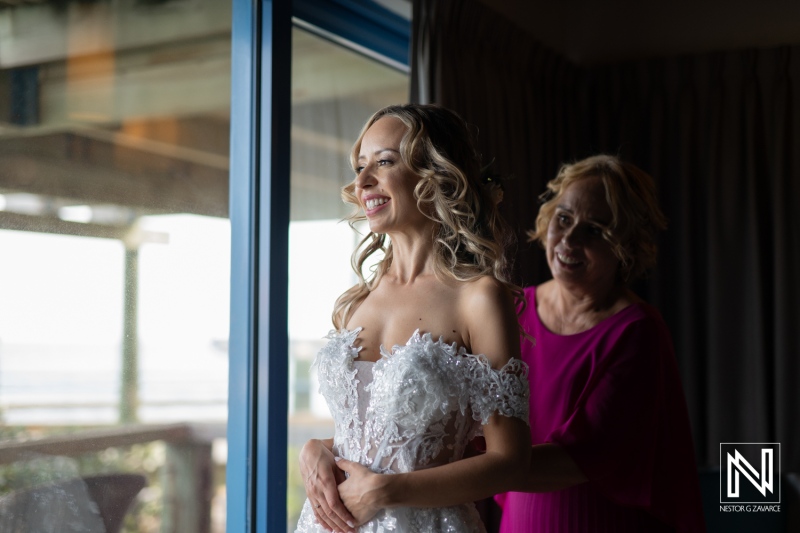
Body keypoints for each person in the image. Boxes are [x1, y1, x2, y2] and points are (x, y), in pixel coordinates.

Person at [295, 104, 532, 533]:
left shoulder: (478, 299)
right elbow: (376, 435)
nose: (362, 181)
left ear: (435, 175)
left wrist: (389, 491)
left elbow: (510, 462)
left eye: (384, 162)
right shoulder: (355, 301)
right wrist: (317, 449)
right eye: (360, 166)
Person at [495, 154, 706, 532]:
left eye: (595, 230)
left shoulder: (637, 333)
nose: (569, 239)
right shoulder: (511, 310)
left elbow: (576, 460)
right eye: (564, 218)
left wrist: (456, 471)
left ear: (625, 245)